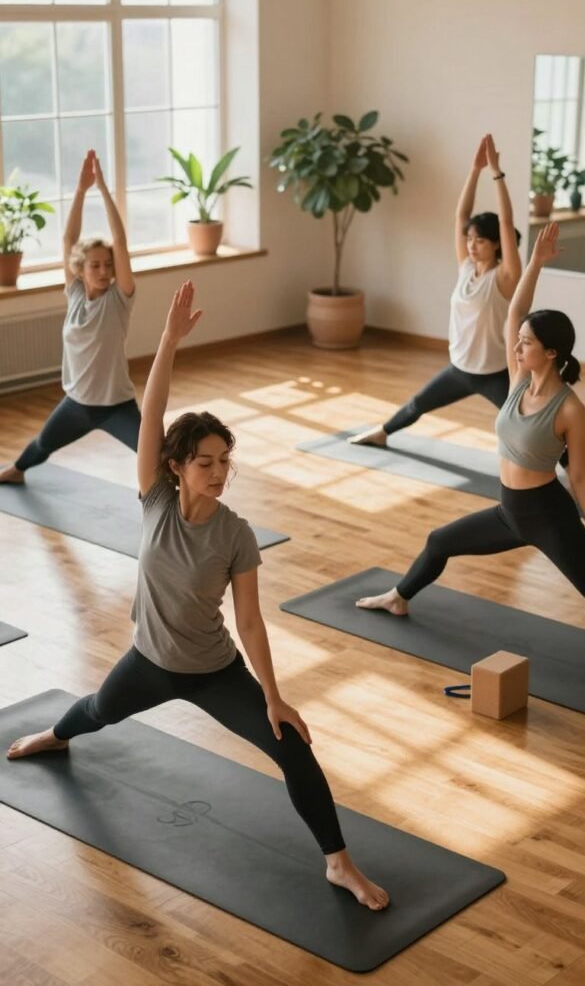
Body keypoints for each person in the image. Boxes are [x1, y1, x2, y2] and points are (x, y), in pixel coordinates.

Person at [7, 280, 389, 912]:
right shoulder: (154, 500)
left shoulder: (236, 533)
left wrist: (274, 697)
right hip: (149, 663)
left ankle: (339, 862)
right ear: (177, 466)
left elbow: (251, 623)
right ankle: (56, 733)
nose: (217, 472)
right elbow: (151, 415)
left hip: (215, 672)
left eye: (224, 462)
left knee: (292, 745)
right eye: (204, 461)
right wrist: (167, 341)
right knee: (97, 710)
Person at [355, 222, 585, 617]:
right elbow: (515, 311)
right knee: (439, 540)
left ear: (550, 353)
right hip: (509, 512)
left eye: (526, 342)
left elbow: (579, 476)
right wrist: (536, 263)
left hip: (549, 517)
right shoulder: (517, 380)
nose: (516, 346)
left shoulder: (570, 409)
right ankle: (399, 597)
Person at [350, 134, 522, 447]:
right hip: (459, 369)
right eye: (469, 239)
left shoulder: (505, 277)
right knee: (418, 404)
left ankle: (573, 461)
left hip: (495, 374)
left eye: (480, 240)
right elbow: (460, 217)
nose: (471, 245)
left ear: (497, 243)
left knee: (524, 422)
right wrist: (474, 170)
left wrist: (496, 172)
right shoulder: (466, 269)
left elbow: (507, 222)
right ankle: (381, 434)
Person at [0, 149, 140, 485]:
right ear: (80, 269)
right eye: (95, 265)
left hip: (117, 405)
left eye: (108, 264)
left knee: (158, 455)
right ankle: (16, 471)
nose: (104, 270)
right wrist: (80, 191)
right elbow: (68, 239)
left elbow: (120, 241)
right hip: (77, 403)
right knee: (43, 444)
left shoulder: (119, 300)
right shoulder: (75, 295)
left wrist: (103, 188)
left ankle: (165, 493)